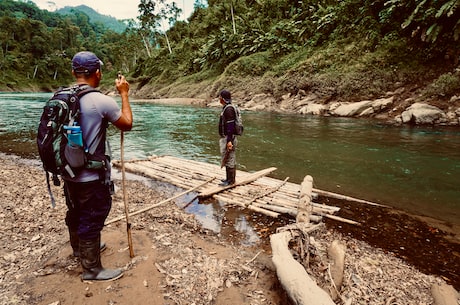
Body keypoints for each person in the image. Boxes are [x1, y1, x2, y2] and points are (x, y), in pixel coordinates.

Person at [64, 51, 133, 282]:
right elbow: (127, 124)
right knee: (92, 218)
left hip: (68, 173)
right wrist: (124, 94)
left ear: (74, 72)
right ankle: (92, 269)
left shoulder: (63, 96)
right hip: (91, 177)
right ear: (98, 73)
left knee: (75, 212)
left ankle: (79, 249)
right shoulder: (101, 100)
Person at [218, 89, 238, 186]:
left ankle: (231, 181)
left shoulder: (229, 109)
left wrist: (229, 141)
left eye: (220, 97)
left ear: (223, 98)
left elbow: (231, 126)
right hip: (227, 137)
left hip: (229, 138)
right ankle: (228, 179)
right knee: (227, 157)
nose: (219, 98)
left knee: (230, 158)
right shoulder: (226, 107)